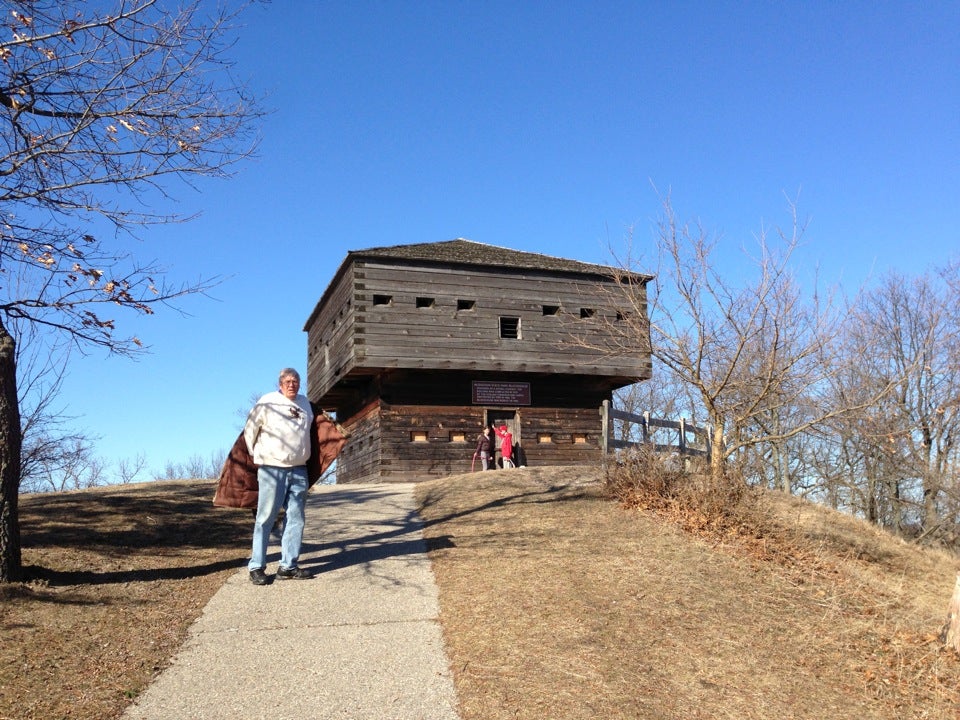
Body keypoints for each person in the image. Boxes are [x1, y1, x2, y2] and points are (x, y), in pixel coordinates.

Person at [244, 368, 314, 585]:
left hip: (299, 468)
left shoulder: (305, 404)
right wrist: (257, 454)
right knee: (266, 517)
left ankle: (288, 566)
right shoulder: (267, 402)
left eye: (295, 381)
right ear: (280, 384)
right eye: (288, 381)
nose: (292, 384)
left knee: (296, 518)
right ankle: (256, 566)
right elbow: (250, 429)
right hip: (272, 468)